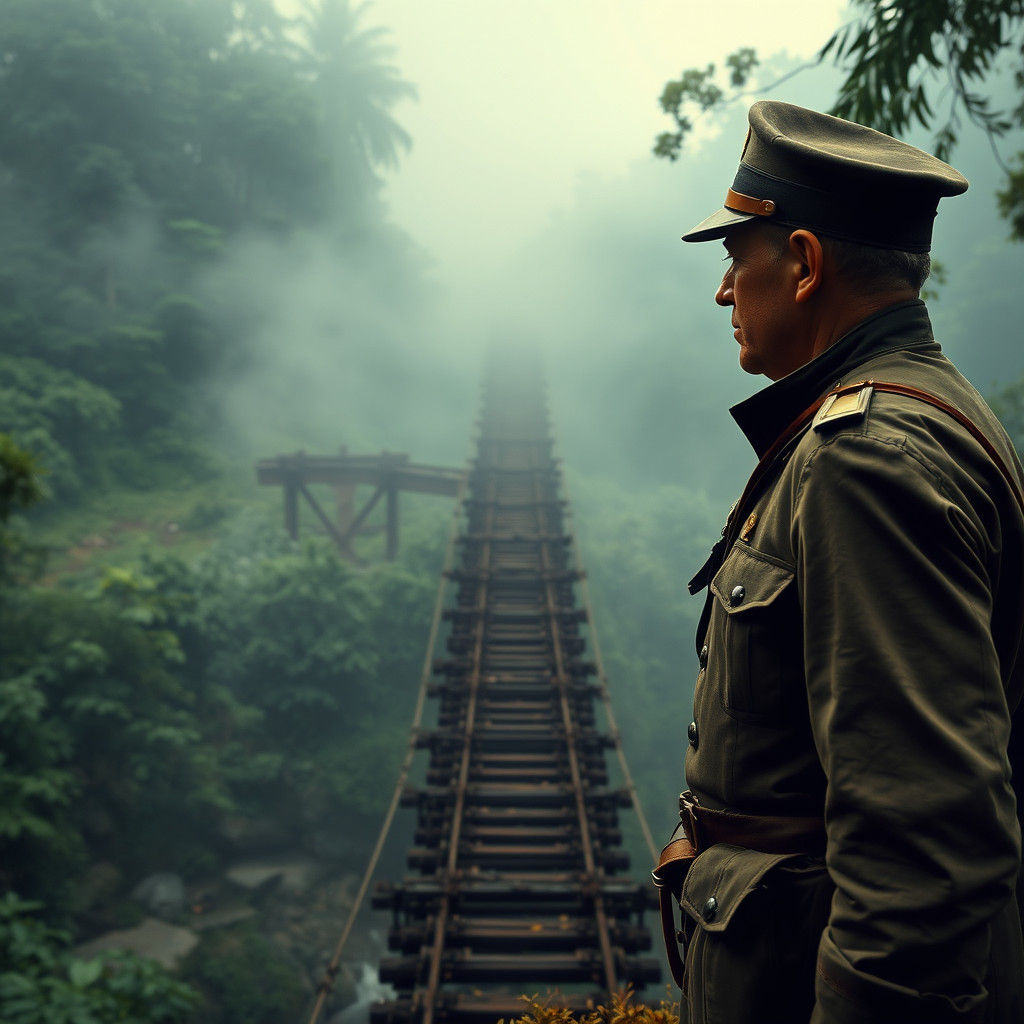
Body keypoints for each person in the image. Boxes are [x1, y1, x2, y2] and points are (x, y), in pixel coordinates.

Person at [655, 100, 1024, 1024]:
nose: (724, 290)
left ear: (807, 263)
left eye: (738, 258)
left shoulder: (866, 459)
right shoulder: (920, 411)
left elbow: (922, 842)